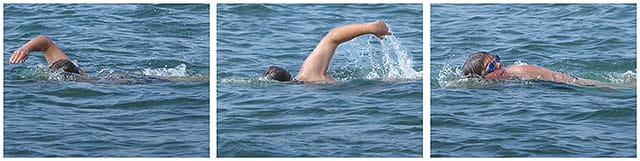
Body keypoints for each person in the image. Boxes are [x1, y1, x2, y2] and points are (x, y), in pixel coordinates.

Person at [262, 20, 392, 83]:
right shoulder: (308, 75)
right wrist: (369, 28)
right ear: (289, 75)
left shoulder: (307, 84)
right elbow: (332, 37)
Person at [462, 51, 607, 86]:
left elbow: (559, 78)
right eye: (492, 66)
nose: (499, 64)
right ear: (481, 77)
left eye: (496, 59)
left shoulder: (519, 71)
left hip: (579, 85)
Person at [9, 35, 88, 76]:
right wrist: (25, 49)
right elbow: (45, 42)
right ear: (82, 72)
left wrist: (25, 49)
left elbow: (45, 42)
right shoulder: (90, 79)